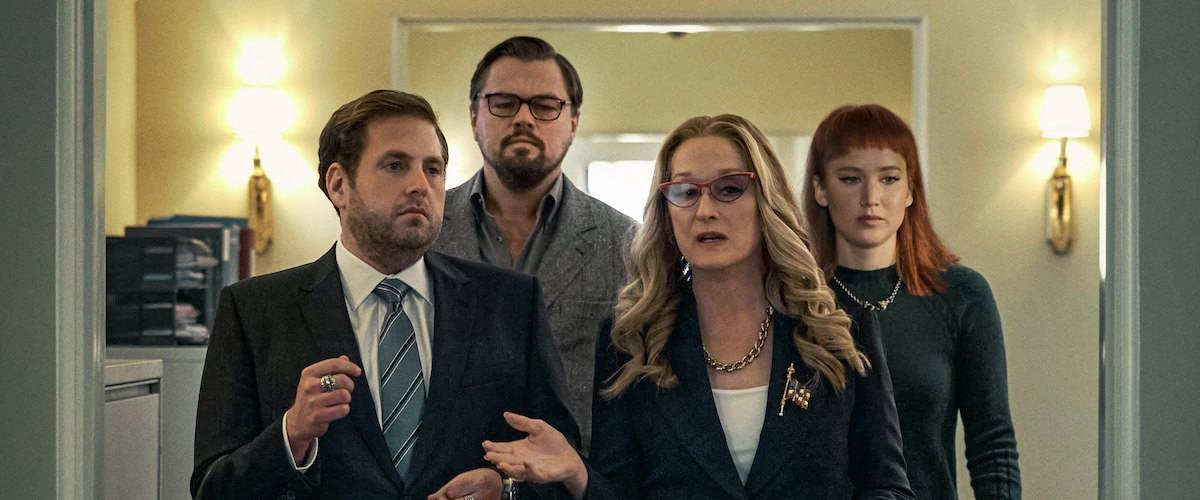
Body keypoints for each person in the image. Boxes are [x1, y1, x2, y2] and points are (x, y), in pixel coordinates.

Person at [480, 114, 914, 499]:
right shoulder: (630, 341)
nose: (705, 210)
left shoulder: (839, 325)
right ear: (667, 212)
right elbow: (621, 489)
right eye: (685, 192)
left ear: (766, 201)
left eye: (729, 189)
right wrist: (578, 474)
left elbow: (887, 485)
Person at [191, 89, 578, 500]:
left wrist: (506, 491)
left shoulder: (510, 303)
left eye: (433, 169)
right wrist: (292, 435)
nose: (420, 185)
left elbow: (563, 471)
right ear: (339, 185)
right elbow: (213, 489)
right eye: (395, 166)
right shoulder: (254, 311)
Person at [801, 104, 1022, 499]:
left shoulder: (962, 295)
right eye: (850, 179)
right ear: (821, 189)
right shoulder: (793, 297)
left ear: (910, 190)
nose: (871, 198)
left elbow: (992, 444)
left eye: (889, 179)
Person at [433, 36, 637, 452]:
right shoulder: (425, 232)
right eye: (503, 103)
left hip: (575, 471)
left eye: (545, 106)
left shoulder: (626, 243)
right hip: (447, 471)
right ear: (474, 117)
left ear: (573, 122)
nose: (524, 119)